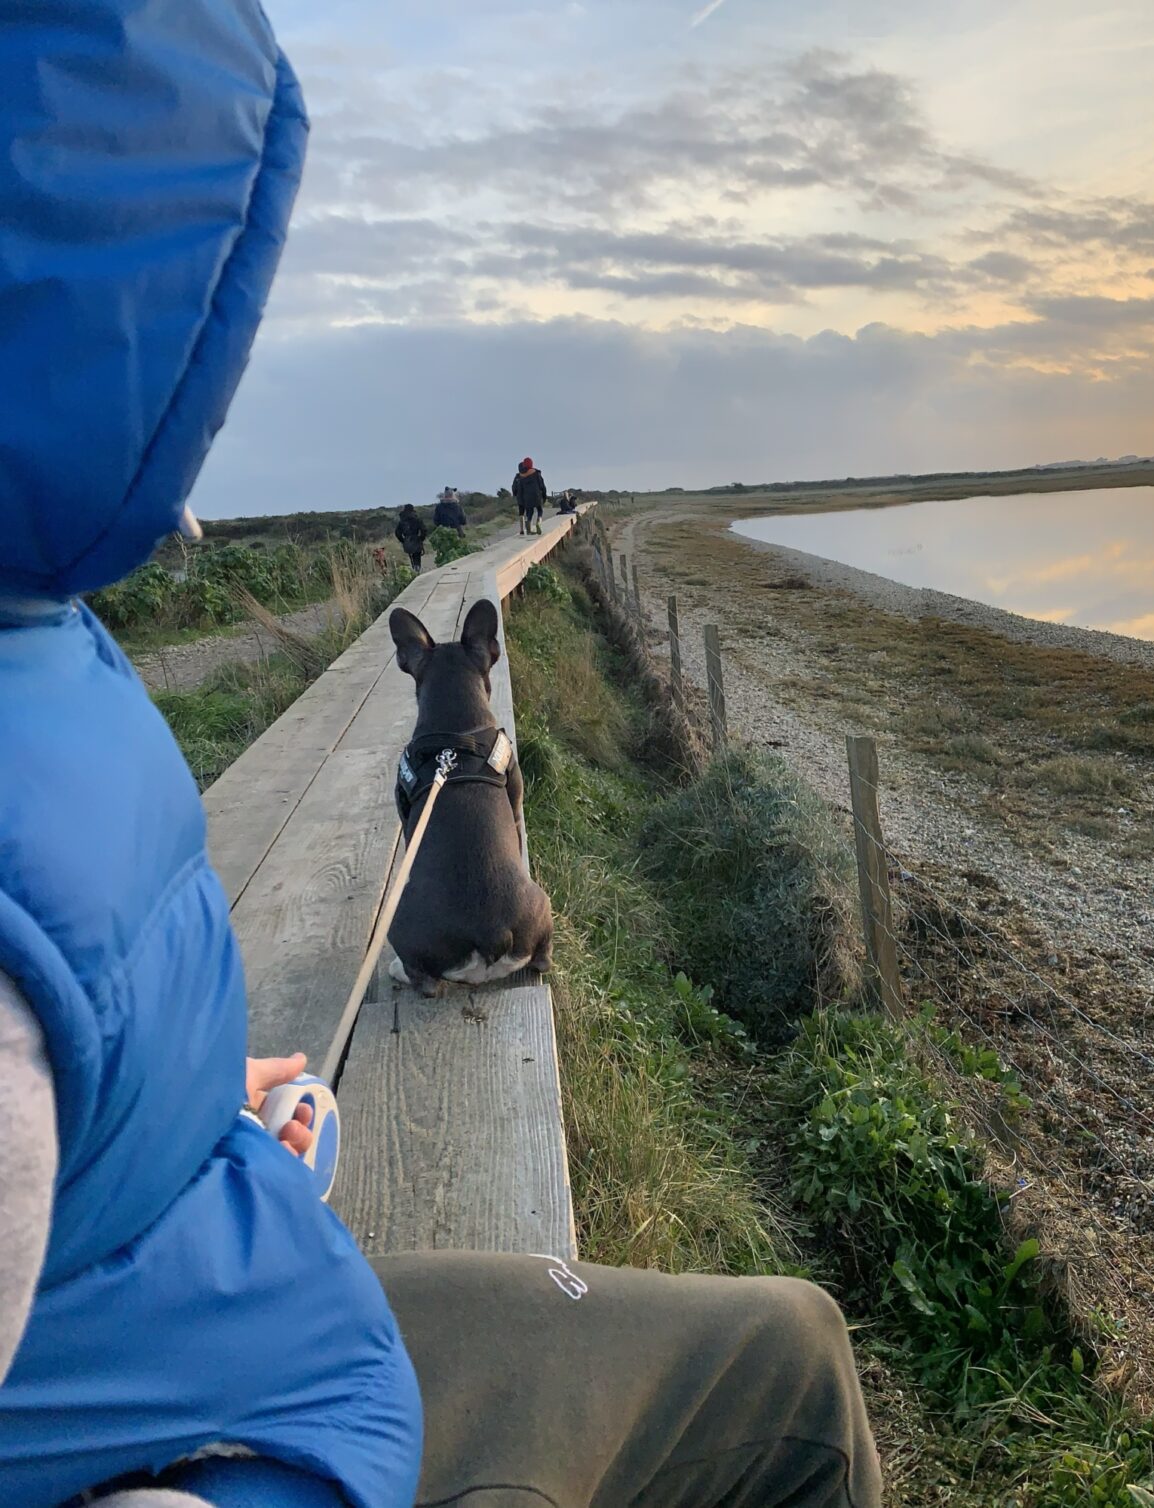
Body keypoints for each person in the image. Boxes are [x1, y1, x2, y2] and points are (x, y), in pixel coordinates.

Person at [0, 7, 883, 1507]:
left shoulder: (44, 637)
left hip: (223, 1300)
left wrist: (186, 1120)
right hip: (250, 1423)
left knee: (791, 1349)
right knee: (789, 1369)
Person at [513, 457, 548, 535]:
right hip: (536, 495)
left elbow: (518, 488)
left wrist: (519, 497)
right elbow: (542, 486)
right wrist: (544, 495)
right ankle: (538, 522)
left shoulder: (521, 476)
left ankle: (528, 529)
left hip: (526, 497)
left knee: (530, 512)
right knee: (540, 510)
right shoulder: (536, 473)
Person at [395, 502, 427, 571]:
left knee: (411, 556)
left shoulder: (402, 521)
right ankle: (417, 568)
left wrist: (403, 540)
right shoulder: (417, 519)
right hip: (416, 539)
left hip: (407, 540)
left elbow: (397, 533)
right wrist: (421, 538)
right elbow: (424, 530)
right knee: (417, 556)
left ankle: (414, 568)